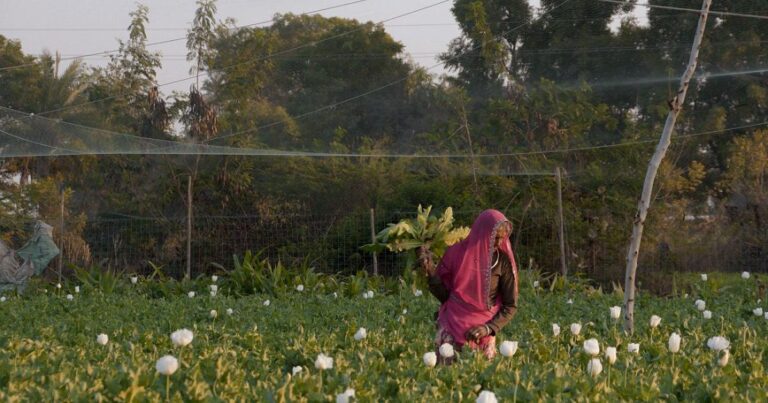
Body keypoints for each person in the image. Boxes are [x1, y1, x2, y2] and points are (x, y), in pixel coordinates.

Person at [419, 209, 518, 363]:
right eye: (494, 237)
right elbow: (445, 296)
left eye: (501, 238)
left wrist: (488, 328)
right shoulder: (456, 254)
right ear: (481, 233)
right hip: (452, 327)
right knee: (446, 380)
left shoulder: (502, 262)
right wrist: (431, 274)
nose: (498, 242)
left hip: (483, 334)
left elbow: (510, 305)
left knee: (481, 380)